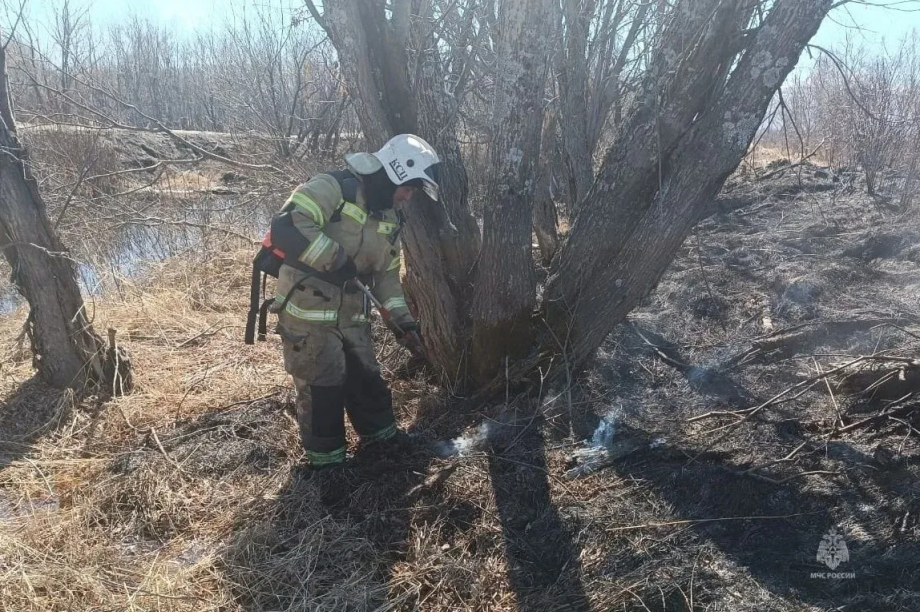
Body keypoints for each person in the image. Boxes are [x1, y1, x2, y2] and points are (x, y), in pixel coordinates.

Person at [273, 134, 438, 469]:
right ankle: (327, 467)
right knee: (323, 389)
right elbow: (287, 225)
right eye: (408, 188)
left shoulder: (390, 218)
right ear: (395, 172)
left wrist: (403, 322)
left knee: (366, 378)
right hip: (308, 312)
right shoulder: (332, 188)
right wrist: (334, 258)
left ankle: (383, 443)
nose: (407, 198)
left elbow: (387, 279)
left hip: (352, 315)